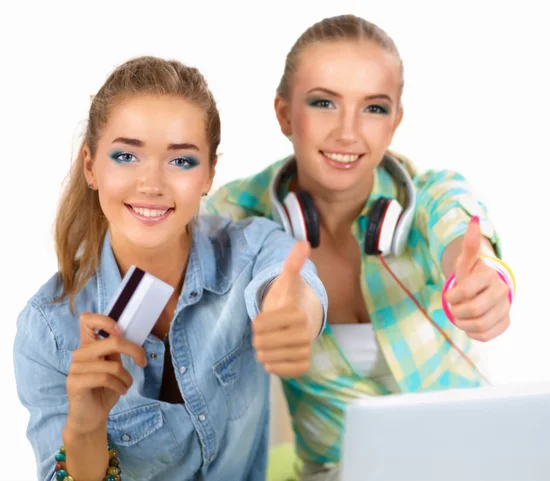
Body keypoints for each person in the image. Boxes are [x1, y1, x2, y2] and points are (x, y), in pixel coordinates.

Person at [203, 14, 515, 480]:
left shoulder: (431, 195)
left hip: (472, 459)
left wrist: (487, 279)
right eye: (324, 102)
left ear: (395, 122)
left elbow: (461, 228)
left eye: (373, 108)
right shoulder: (235, 212)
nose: (348, 133)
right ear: (285, 113)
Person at [13, 56, 328, 481]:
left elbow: (293, 286)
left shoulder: (250, 248)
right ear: (91, 166)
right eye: (126, 156)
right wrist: (85, 428)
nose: (152, 184)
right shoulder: (48, 332)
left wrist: (292, 317)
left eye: (181, 161)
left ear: (209, 174)